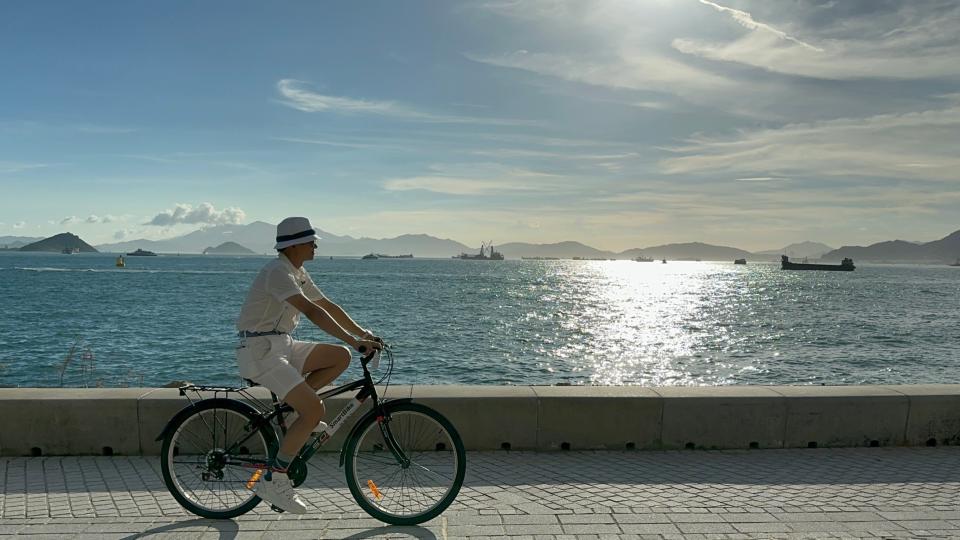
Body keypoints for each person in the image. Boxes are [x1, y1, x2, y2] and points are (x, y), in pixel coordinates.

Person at [235, 216, 381, 514]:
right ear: (295, 244)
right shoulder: (277, 272)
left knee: (340, 356)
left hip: (282, 343)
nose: (315, 245)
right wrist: (356, 341)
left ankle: (291, 414)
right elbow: (312, 312)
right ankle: (275, 482)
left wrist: (362, 334)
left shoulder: (295, 271)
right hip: (260, 350)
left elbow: (327, 305)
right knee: (315, 409)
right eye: (311, 240)